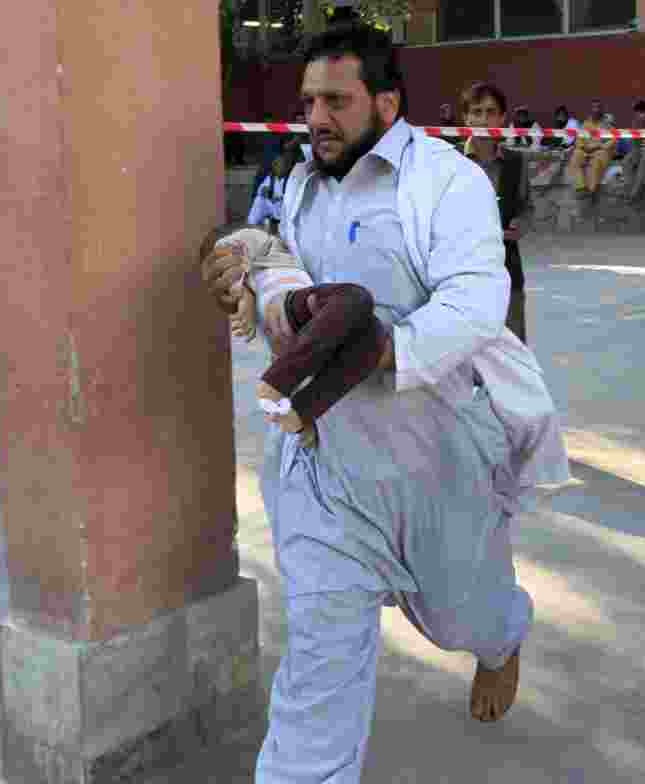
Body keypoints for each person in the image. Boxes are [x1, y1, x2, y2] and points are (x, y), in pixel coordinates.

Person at [200, 23, 569, 783]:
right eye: (308, 102)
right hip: (324, 467)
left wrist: (387, 350)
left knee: (463, 614)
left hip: (434, 460)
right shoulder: (302, 183)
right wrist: (251, 267)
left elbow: (476, 298)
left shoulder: (444, 180)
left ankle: (502, 640)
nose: (316, 118)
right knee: (318, 665)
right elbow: (289, 276)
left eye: (335, 101)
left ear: (388, 102)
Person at [202, 224, 387, 450]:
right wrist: (244, 296)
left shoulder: (278, 251)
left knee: (373, 339)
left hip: (307, 327)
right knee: (356, 298)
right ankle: (275, 382)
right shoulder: (252, 240)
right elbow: (228, 259)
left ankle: (300, 414)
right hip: (291, 305)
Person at [462, 82, 532, 343]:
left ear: (502, 118)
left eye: (491, 112)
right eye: (477, 112)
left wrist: (521, 225)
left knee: (512, 357)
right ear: (465, 118)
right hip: (459, 276)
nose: (483, 119)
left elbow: (527, 207)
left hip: (507, 272)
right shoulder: (448, 160)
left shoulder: (517, 162)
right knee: (463, 359)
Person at [247, 137, 306, 231]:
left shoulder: (295, 176)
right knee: (259, 200)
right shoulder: (270, 178)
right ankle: (253, 228)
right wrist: (265, 192)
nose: (276, 165)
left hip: (288, 211)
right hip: (274, 209)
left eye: (279, 163)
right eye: (274, 164)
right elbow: (262, 191)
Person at [568, 99, 616, 200]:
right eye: (594, 107)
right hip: (587, 149)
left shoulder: (607, 123)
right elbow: (579, 138)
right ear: (590, 110)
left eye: (598, 107)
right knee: (576, 155)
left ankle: (592, 191)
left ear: (601, 110)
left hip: (600, 150)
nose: (596, 110)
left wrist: (599, 147)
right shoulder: (586, 122)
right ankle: (581, 188)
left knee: (596, 163)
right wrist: (582, 147)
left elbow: (613, 140)